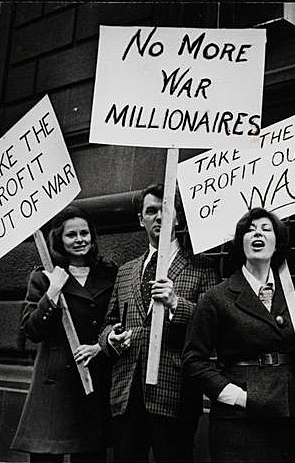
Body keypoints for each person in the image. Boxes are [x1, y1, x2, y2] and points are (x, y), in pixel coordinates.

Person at [183, 207, 295, 462]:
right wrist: (237, 396)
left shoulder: (293, 295)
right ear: (240, 243)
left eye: (266, 229)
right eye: (250, 230)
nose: (257, 234)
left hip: (290, 418)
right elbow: (193, 361)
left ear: (278, 242)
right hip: (238, 423)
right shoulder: (217, 297)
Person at [98, 184, 221, 462]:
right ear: (141, 219)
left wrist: (176, 303)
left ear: (177, 217)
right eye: (151, 211)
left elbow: (212, 328)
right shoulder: (127, 270)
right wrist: (109, 339)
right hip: (127, 392)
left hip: (174, 391)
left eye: (165, 210)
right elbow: (108, 322)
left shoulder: (201, 268)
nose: (159, 217)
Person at [11, 206, 117, 462]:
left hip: (93, 376)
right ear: (59, 239)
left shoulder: (109, 273)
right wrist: (52, 293)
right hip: (55, 382)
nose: (80, 240)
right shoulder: (44, 276)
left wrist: (100, 347)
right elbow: (31, 330)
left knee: (91, 454)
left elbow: (117, 320)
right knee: (47, 455)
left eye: (84, 233)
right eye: (71, 235)